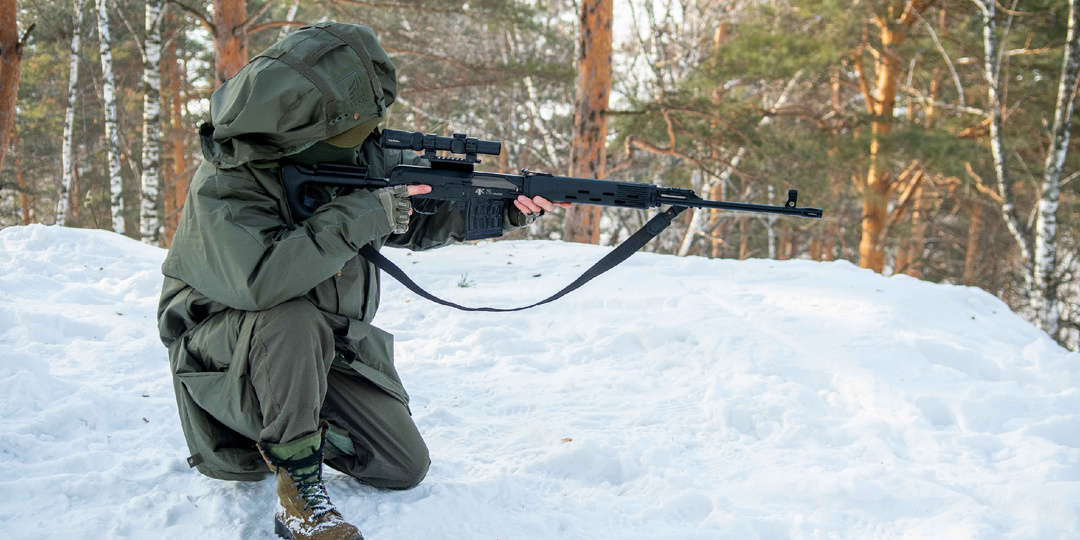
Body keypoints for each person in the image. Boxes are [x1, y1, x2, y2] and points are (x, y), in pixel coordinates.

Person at [157, 22, 568, 540]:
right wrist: (364, 215)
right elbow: (260, 282)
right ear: (305, 125)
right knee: (289, 317)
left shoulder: (351, 152)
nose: (363, 142)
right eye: (348, 134)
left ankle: (300, 425)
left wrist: (503, 211)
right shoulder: (227, 181)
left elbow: (411, 215)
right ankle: (298, 489)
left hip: (322, 348)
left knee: (401, 466)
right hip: (229, 358)